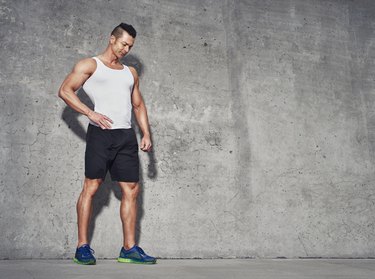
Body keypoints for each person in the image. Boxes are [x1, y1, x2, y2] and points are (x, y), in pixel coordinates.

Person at [58, 23, 156, 265]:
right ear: (112, 39)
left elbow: (138, 105)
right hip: (100, 135)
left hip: (125, 137)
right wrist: (90, 113)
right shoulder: (90, 65)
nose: (126, 49)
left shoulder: (130, 72)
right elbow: (65, 90)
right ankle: (82, 247)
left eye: (130, 46)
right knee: (91, 187)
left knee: (131, 190)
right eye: (123, 43)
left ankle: (129, 248)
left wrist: (145, 133)